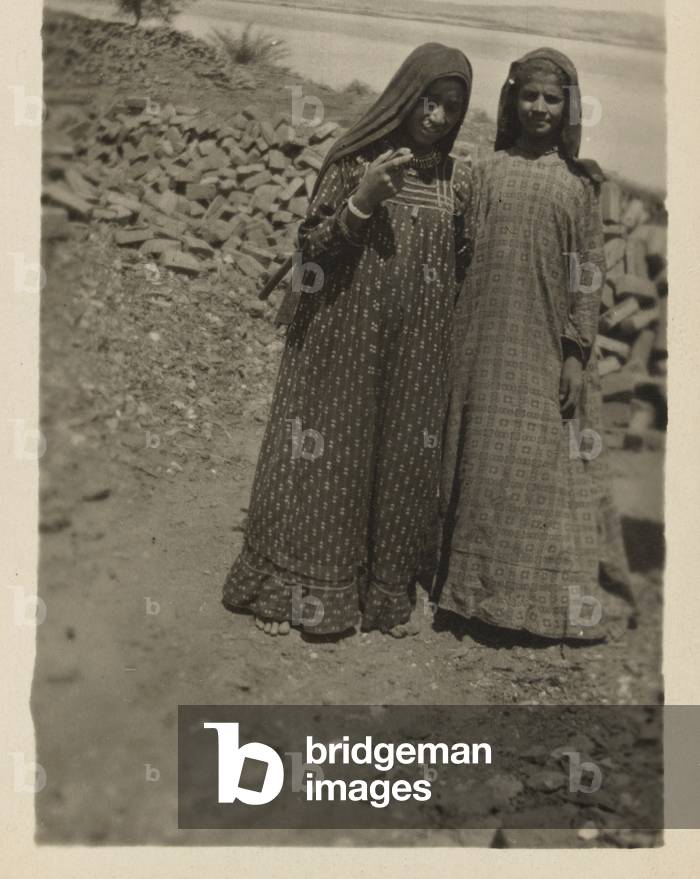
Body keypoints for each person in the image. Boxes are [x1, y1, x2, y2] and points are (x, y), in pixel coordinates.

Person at [222, 43, 474, 638]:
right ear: (404, 95)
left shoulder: (455, 184)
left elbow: (460, 265)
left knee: (395, 462)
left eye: (450, 109)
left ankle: (380, 595)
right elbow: (312, 253)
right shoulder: (354, 161)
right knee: (326, 459)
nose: (435, 118)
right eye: (428, 102)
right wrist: (363, 201)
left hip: (413, 352)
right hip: (342, 339)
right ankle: (288, 590)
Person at [434, 47, 634, 642]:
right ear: (511, 100)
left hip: (543, 345)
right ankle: (463, 593)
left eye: (552, 99)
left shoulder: (577, 187)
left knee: (535, 469)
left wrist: (576, 351)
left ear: (568, 107)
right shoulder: (485, 170)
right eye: (529, 96)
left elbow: (589, 275)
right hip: (480, 342)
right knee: (474, 459)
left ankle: (532, 604)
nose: (539, 108)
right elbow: (456, 253)